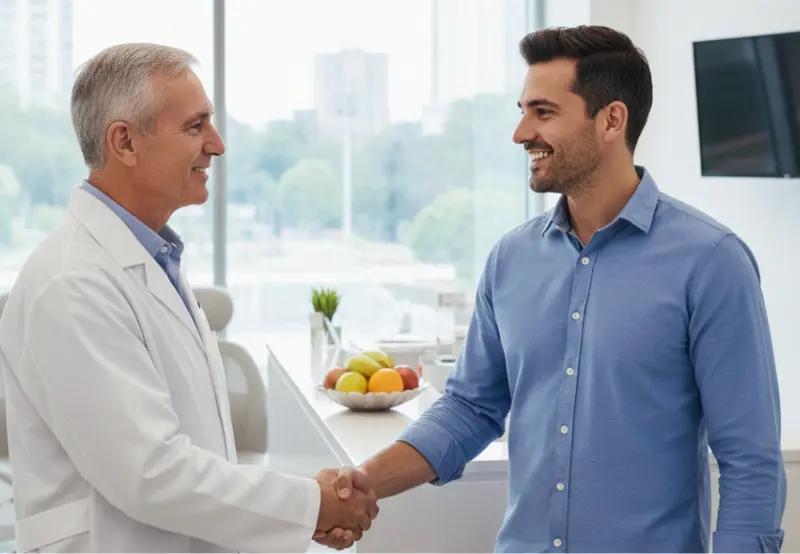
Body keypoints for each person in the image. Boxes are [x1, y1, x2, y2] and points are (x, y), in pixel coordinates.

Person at [315, 25, 787, 553]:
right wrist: (360, 484)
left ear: (612, 119)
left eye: (543, 112)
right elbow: (470, 408)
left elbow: (749, 462)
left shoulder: (711, 263)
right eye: (523, 110)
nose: (520, 133)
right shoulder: (509, 260)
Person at [0, 43, 377, 553]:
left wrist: (300, 508)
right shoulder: (72, 283)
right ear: (125, 142)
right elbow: (149, 472)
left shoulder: (148, 259)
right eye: (195, 126)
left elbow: (191, 452)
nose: (217, 145)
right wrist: (311, 505)